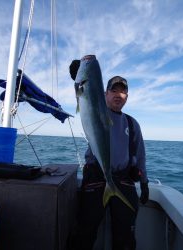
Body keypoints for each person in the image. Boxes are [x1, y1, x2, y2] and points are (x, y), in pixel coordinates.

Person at [68, 60, 149, 250]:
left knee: (125, 236)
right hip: (96, 175)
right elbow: (85, 96)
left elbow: (140, 154)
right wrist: (77, 78)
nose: (118, 95)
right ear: (105, 94)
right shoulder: (95, 109)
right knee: (84, 232)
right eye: (114, 90)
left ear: (127, 97)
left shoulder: (132, 123)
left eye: (122, 92)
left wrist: (144, 182)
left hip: (123, 180)